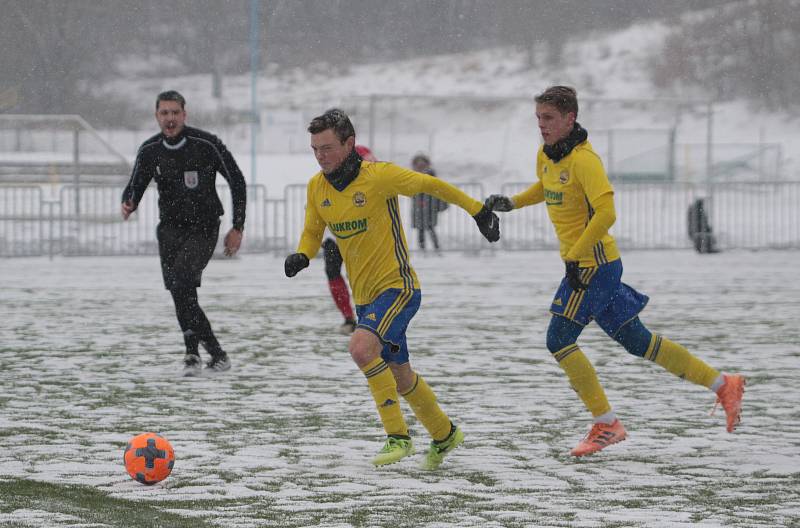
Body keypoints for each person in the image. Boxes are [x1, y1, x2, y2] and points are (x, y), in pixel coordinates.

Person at [485, 86, 745, 457]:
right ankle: (723, 384)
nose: (541, 126)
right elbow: (547, 187)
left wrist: (575, 255)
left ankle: (606, 424)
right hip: (586, 264)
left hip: (595, 265)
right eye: (539, 118)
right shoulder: (547, 156)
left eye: (549, 118)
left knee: (559, 339)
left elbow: (607, 214)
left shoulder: (585, 160)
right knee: (638, 342)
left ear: (570, 119)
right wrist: (512, 202)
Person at [284, 108, 499, 468]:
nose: (320, 156)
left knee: (360, 348)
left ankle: (397, 438)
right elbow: (312, 231)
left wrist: (477, 211)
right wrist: (303, 255)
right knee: (401, 376)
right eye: (315, 148)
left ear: (350, 144)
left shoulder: (379, 177)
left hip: (398, 289)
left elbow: (430, 185)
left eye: (327, 147)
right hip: (366, 298)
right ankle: (445, 435)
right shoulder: (316, 187)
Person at [121, 90, 246, 377]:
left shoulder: (206, 144)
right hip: (169, 230)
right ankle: (199, 354)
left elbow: (237, 181)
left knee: (182, 282)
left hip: (203, 227)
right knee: (181, 292)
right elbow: (135, 183)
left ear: (184, 115)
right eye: (164, 113)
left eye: (175, 112)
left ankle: (206, 353)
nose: (170, 118)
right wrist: (129, 202)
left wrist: (237, 226)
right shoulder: (150, 149)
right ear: (157, 116)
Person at [321, 144, 377, 335]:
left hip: (359, 230)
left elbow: (375, 177)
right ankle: (348, 318)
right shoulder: (326, 153)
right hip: (333, 231)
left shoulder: (360, 152)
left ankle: (370, 317)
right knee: (332, 272)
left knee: (364, 276)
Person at [411, 153, 447, 254]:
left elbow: (435, 187)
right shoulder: (413, 175)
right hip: (420, 207)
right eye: (418, 164)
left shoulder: (430, 174)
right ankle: (422, 249)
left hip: (430, 207)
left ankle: (436, 247)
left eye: (422, 164)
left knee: (430, 228)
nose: (420, 166)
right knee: (420, 229)